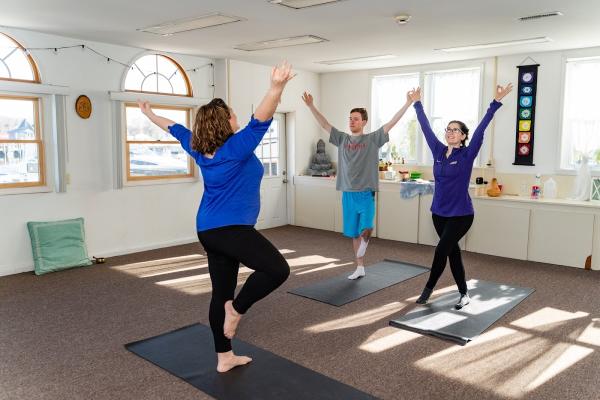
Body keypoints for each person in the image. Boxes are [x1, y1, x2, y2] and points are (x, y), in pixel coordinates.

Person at [137, 62, 295, 372]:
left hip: (208, 229)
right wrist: (276, 87)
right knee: (277, 269)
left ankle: (224, 357)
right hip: (231, 229)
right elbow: (261, 117)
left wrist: (150, 114)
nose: (237, 117)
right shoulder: (236, 148)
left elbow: (173, 128)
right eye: (233, 113)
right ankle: (236, 310)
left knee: (220, 291)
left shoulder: (197, 148)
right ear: (225, 121)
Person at [408, 83, 513, 309]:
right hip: (438, 213)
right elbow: (425, 128)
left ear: (463, 136)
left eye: (455, 129)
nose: (450, 132)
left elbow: (481, 130)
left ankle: (427, 289)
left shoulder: (467, 154)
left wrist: (494, 104)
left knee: (441, 250)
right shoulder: (437, 151)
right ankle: (464, 293)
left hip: (461, 214)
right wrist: (417, 104)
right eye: (448, 128)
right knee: (453, 253)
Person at [302, 91, 413, 279]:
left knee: (367, 228)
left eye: (355, 119)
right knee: (354, 233)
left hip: (366, 192)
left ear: (364, 122)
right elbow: (324, 124)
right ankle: (359, 266)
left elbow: (392, 123)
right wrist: (311, 106)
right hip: (347, 193)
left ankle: (363, 248)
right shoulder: (342, 139)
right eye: (350, 119)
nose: (351, 121)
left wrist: (408, 103)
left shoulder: (372, 139)